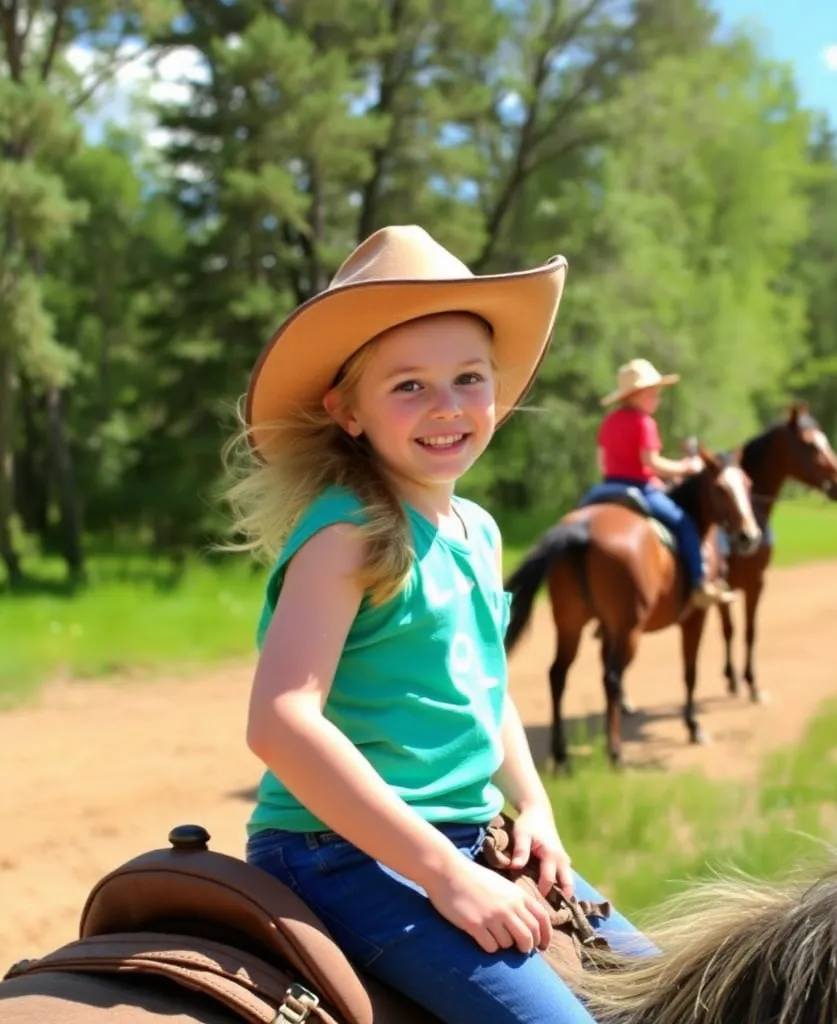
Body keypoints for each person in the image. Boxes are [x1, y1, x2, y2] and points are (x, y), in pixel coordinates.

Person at [219, 225, 652, 1024]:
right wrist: (445, 875)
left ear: (498, 390)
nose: (447, 406)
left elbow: (483, 687)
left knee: (661, 985)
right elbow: (280, 721)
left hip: (467, 826)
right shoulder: (350, 530)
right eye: (409, 386)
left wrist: (536, 807)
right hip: (336, 850)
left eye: (468, 378)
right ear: (348, 411)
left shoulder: (477, 530)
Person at [594, 358, 735, 608]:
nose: (657, 399)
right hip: (641, 489)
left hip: (605, 488)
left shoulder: (609, 421)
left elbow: (602, 463)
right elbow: (651, 463)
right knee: (685, 525)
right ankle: (700, 584)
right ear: (637, 395)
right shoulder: (644, 423)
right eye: (653, 393)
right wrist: (686, 467)